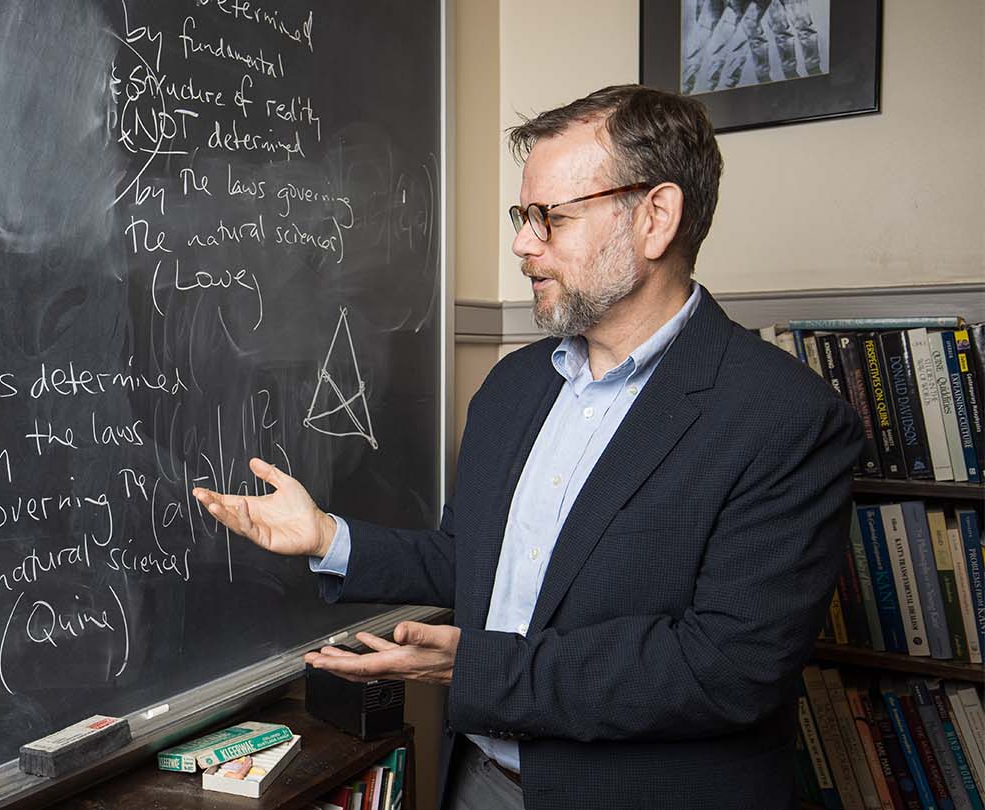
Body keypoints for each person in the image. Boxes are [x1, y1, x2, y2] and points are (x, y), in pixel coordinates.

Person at [192, 84, 862, 810]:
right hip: (473, 781)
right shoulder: (515, 387)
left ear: (655, 218)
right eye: (523, 215)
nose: (521, 242)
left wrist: (474, 668)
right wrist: (330, 537)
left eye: (551, 218)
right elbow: (476, 563)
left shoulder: (784, 418)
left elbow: (725, 668)